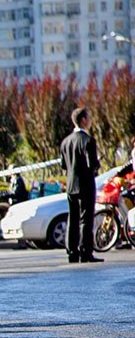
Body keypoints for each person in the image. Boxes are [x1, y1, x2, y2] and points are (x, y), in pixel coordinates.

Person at [60, 107, 102, 263]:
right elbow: (92, 165)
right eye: (88, 117)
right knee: (86, 219)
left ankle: (72, 251)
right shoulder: (88, 141)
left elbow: (64, 165)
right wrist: (97, 165)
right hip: (85, 184)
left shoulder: (65, 142)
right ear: (83, 120)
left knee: (73, 218)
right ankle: (85, 251)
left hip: (71, 185)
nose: (90, 120)